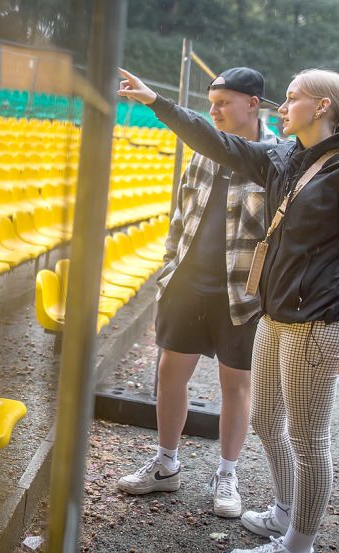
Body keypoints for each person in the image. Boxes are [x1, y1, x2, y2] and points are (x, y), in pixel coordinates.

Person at [117, 67, 339, 553]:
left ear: (323, 106)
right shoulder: (286, 157)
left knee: (308, 441)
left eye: (291, 98)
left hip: (321, 320)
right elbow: (218, 143)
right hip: (272, 313)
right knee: (268, 422)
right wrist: (156, 102)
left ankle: (297, 544)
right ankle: (285, 515)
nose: (281, 107)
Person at [117, 67, 278, 521]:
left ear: (253, 103)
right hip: (188, 283)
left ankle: (227, 474)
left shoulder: (275, 157)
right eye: (210, 103)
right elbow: (180, 214)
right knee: (171, 372)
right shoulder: (202, 154)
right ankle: (166, 464)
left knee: (235, 384)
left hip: (241, 291)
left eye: (223, 102)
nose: (213, 111)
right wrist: (171, 268)